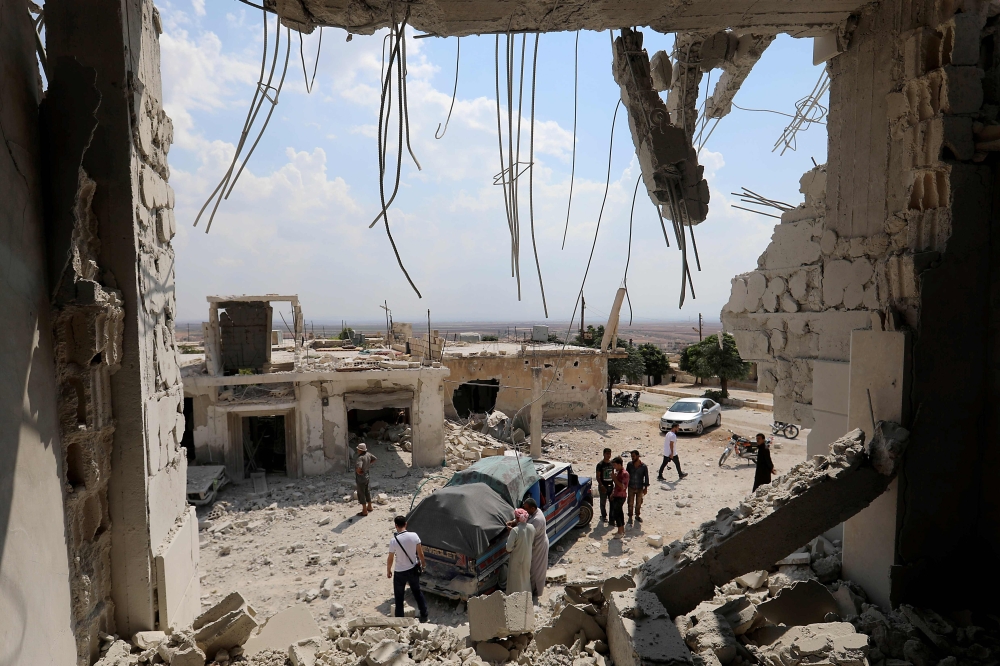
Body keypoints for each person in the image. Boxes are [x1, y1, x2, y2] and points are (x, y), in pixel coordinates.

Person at [386, 515, 428, 622]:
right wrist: (423, 565)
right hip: (413, 569)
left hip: (399, 572)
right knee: (417, 592)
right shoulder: (414, 536)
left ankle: (400, 621)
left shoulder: (393, 541)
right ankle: (424, 615)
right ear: (406, 524)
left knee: (399, 597)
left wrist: (388, 570)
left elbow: (390, 558)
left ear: (396, 526)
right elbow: (420, 553)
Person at [505, 508, 536, 594]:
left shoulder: (515, 531)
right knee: (525, 578)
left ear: (518, 518)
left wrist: (510, 534)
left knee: (516, 581)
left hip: (516, 560)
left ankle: (516, 601)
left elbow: (508, 548)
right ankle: (526, 597)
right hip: (527, 558)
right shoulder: (532, 528)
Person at [522, 498, 548, 597]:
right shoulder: (534, 513)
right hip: (536, 544)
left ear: (532, 508)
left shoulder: (537, 519)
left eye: (527, 509)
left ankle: (535, 591)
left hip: (539, 546)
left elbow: (528, 533)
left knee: (536, 570)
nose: (525, 511)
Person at [626, 450, 649, 524]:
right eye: (631, 456)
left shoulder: (644, 466)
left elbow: (646, 477)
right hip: (631, 486)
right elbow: (626, 475)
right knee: (630, 502)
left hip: (639, 487)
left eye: (633, 456)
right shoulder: (629, 465)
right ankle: (630, 517)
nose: (632, 458)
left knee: (639, 503)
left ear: (638, 456)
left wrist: (645, 488)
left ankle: (637, 515)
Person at [355, 443, 377, 516]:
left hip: (361, 478)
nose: (357, 450)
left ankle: (364, 511)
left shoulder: (360, 458)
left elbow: (359, 468)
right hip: (367, 476)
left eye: (358, 449)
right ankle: (370, 506)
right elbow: (374, 459)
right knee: (367, 491)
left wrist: (359, 471)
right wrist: (368, 465)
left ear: (360, 450)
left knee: (361, 493)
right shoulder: (368, 454)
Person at [609, 457, 629, 538]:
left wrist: (614, 478)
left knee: (616, 513)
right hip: (616, 495)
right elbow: (616, 486)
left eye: (615, 465)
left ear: (619, 464)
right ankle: (621, 530)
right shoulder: (618, 472)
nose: (614, 467)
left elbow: (623, 486)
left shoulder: (624, 474)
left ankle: (620, 532)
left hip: (621, 496)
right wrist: (612, 493)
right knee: (619, 512)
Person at [595, 448, 614, 523]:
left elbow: (612, 474)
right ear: (603, 454)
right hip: (603, 486)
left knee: (612, 502)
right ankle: (603, 516)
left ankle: (611, 518)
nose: (608, 455)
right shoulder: (600, 465)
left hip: (611, 486)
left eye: (609, 454)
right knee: (603, 502)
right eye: (607, 454)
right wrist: (601, 486)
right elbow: (598, 476)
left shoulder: (611, 464)